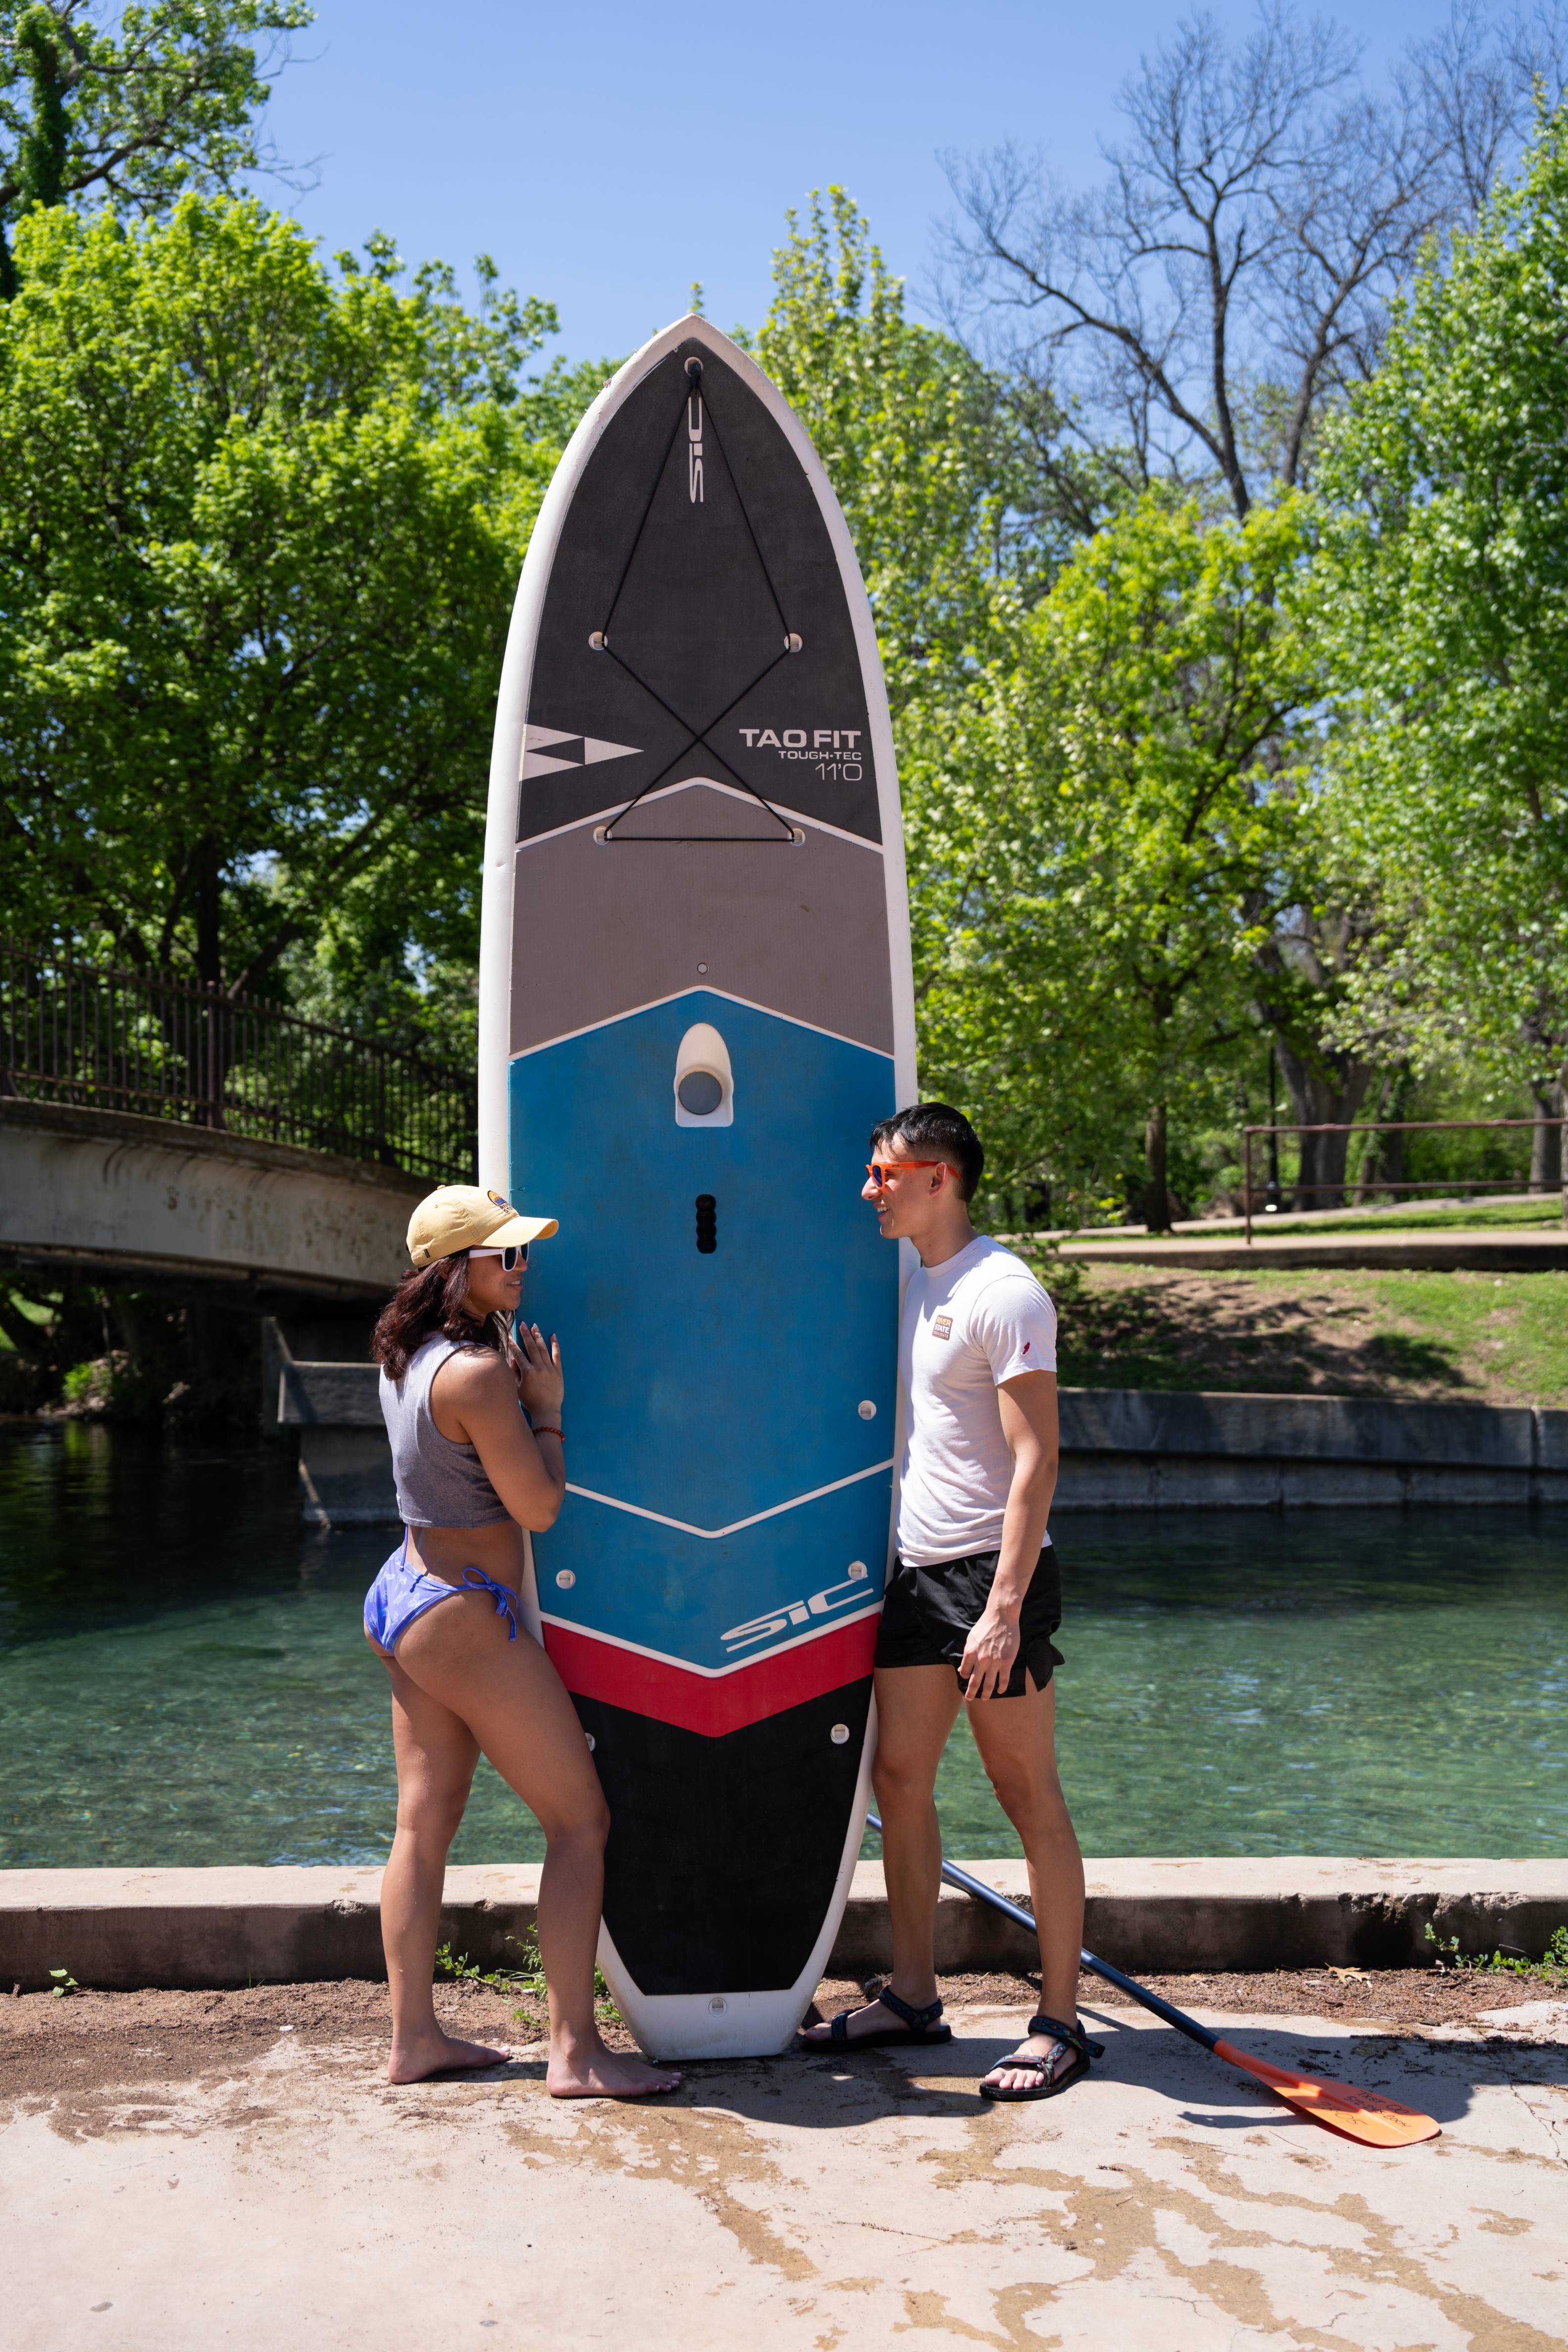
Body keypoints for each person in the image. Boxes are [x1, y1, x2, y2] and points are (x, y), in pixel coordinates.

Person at [800, 1106, 1094, 2101]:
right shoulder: (920, 1278)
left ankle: (1060, 2024)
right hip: (918, 1577)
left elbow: (1038, 1457)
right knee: (899, 1777)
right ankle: (918, 1995)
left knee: (1026, 1796)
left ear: (938, 1178)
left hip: (989, 1579)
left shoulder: (1005, 1292)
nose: (869, 1189)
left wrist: (1004, 1609)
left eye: (883, 1174)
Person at [363, 1183, 680, 2100]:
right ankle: (574, 2052)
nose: (524, 1266)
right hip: (465, 1614)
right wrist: (547, 1407)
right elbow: (538, 1507)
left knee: (423, 1824)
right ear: (456, 1268)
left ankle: (413, 2040)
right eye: (507, 1254)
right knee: (581, 1823)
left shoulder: (408, 1356)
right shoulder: (477, 1373)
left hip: (407, 1594)